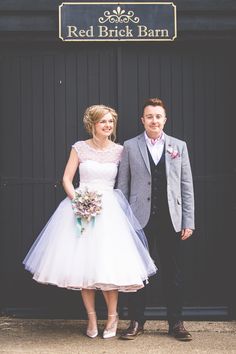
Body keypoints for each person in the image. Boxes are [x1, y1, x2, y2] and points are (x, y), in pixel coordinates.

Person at [23, 104, 157, 339]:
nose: (108, 125)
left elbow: (125, 182)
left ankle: (113, 318)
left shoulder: (120, 150)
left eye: (111, 122)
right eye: (103, 121)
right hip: (80, 209)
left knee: (109, 268)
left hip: (110, 212)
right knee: (83, 267)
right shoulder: (79, 148)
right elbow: (66, 178)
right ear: (92, 124)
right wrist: (79, 201)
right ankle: (92, 318)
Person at [117, 98, 195, 341]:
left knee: (174, 273)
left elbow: (186, 185)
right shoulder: (130, 146)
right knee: (138, 274)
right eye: (149, 116)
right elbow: (122, 186)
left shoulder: (178, 146)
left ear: (164, 119)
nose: (154, 120)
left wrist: (188, 220)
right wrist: (123, 220)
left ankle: (176, 323)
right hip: (139, 220)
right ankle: (136, 322)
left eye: (158, 116)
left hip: (171, 219)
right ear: (142, 120)